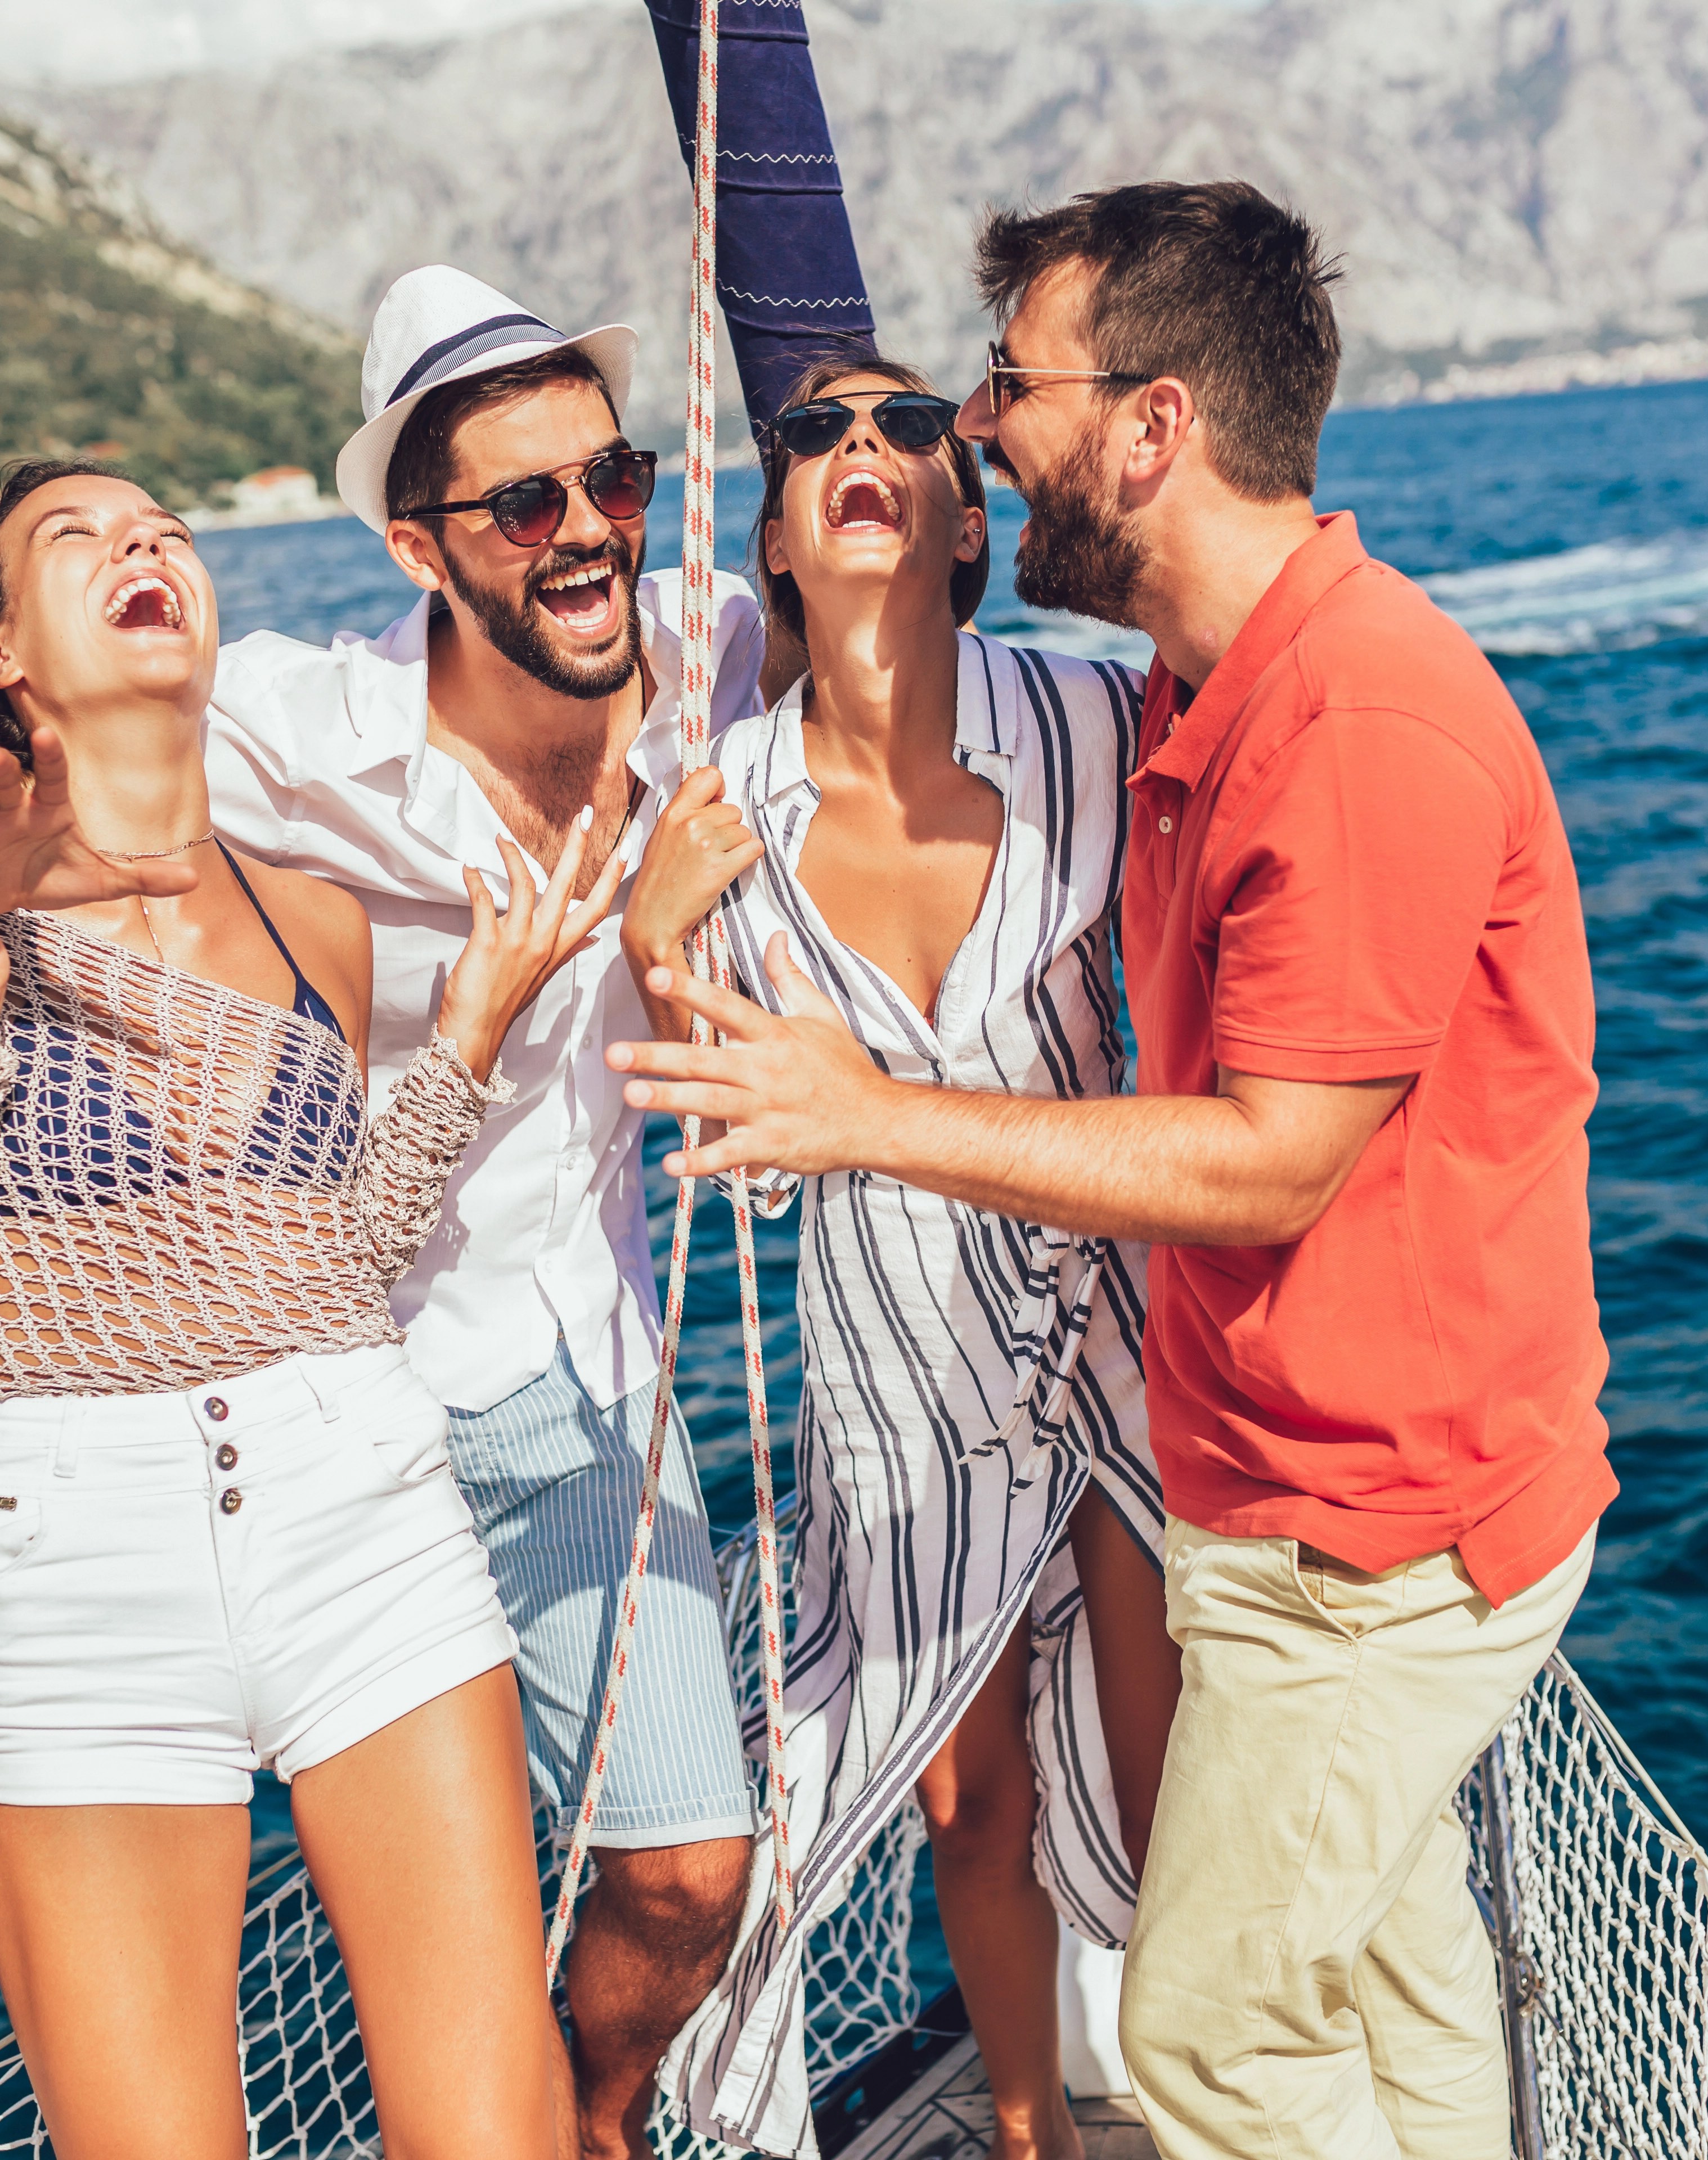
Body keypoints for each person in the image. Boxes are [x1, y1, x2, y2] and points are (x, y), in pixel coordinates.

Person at [609, 181, 1620, 2160]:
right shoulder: (1193, 697)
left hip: (1374, 1528)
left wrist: (873, 1117)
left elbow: (1277, 1162)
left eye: (1002, 391)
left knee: (1214, 2039)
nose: (981, 426)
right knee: (1390, 1977)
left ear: (1149, 428)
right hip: (1235, 1461)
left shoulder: (1339, 719)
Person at [0, 271, 771, 2160]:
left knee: (566, 2041)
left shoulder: (331, 903)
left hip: (389, 1468)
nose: (143, 547)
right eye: (79, 541)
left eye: (161, 525)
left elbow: (330, 1259)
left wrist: (483, 1027)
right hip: (87, 1543)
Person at [622, 353, 1177, 2160]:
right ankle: (1029, 2138)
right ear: (781, 542)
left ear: (964, 530)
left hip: (1110, 1313)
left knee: (1171, 1775)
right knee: (973, 1799)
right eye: (816, 435)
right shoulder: (726, 805)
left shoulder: (1094, 719)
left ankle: (1211, 2107)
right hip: (898, 1358)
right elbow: (735, 1136)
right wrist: (654, 949)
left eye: (911, 428)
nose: (863, 446)